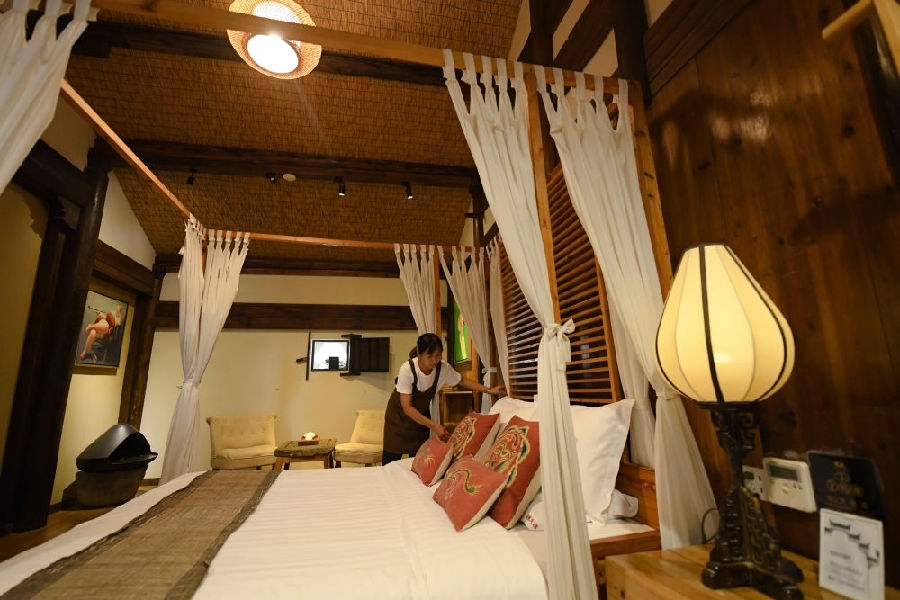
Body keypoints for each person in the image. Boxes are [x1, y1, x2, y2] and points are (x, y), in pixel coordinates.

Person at [381, 332, 504, 466]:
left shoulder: (443, 369)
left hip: (420, 420)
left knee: (418, 461)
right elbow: (407, 407)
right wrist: (434, 425)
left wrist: (489, 390)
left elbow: (462, 381)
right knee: (390, 460)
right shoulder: (407, 370)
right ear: (420, 354)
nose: (435, 360)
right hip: (398, 419)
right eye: (430, 356)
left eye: (438, 355)